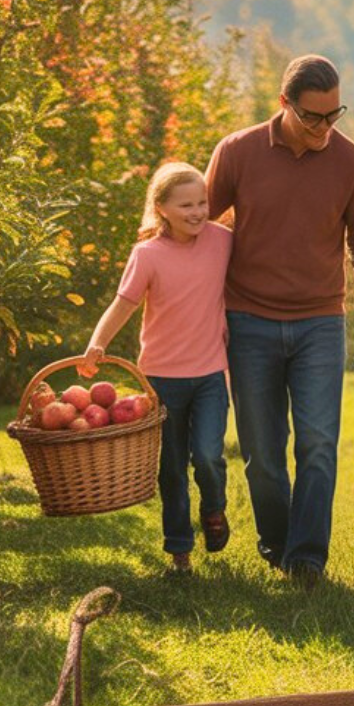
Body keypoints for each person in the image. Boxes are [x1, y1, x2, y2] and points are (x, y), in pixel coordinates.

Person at [205, 54, 354, 587]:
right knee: (262, 453)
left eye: (334, 115)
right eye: (313, 118)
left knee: (318, 445)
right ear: (284, 104)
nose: (325, 129)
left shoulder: (350, 162)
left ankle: (306, 561)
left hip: (319, 324)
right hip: (249, 320)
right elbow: (198, 224)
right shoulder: (237, 152)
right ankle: (277, 543)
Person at [81, 161, 232, 574]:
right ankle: (180, 551)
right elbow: (124, 304)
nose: (198, 212)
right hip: (160, 380)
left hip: (209, 376)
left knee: (206, 455)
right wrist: (98, 344)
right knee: (171, 469)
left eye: (202, 202)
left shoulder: (223, 241)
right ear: (161, 207)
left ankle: (215, 507)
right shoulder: (147, 254)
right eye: (186, 205)